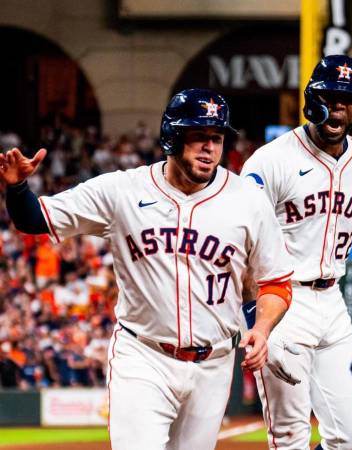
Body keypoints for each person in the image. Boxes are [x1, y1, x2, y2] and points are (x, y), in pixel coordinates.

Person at [0, 88, 294, 450]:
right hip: (144, 357)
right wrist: (17, 188)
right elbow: (33, 218)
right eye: (198, 136)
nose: (209, 148)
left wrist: (262, 328)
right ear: (172, 137)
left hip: (214, 364)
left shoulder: (249, 200)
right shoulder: (122, 190)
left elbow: (277, 282)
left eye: (216, 138)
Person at [241, 54, 352, 450]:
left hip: (332, 301)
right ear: (311, 99)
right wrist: (257, 320)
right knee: (290, 434)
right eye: (331, 95)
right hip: (281, 300)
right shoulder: (272, 161)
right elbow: (238, 245)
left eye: (349, 98)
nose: (339, 106)